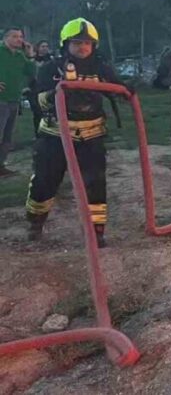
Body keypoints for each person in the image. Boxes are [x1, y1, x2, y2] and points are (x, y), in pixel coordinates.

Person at [26, 18, 124, 248]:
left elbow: (119, 88)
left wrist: (126, 91)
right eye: (77, 42)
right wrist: (53, 95)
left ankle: (96, 232)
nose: (82, 47)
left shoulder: (101, 68)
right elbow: (37, 99)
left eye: (88, 43)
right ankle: (36, 223)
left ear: (94, 46)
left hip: (91, 135)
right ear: (65, 44)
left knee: (95, 184)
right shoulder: (51, 69)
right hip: (55, 135)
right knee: (45, 181)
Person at [0, 27, 35, 178]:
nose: (19, 39)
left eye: (21, 36)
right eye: (15, 36)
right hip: (1, 99)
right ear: (5, 38)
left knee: (7, 136)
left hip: (14, 99)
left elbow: (32, 73)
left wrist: (30, 55)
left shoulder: (20, 56)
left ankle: (1, 165)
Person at [25, 40, 55, 137]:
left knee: (50, 112)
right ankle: (37, 133)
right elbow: (28, 74)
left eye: (46, 46)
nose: (45, 48)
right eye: (42, 46)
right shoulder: (32, 61)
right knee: (37, 113)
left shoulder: (52, 60)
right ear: (38, 48)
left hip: (48, 89)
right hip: (34, 90)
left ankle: (49, 133)